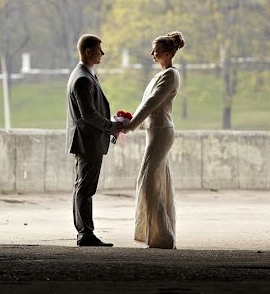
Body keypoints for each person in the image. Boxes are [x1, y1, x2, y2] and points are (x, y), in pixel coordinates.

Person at [121, 31, 185, 249]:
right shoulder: (160, 76)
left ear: (168, 53)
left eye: (156, 51)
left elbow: (151, 104)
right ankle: (161, 235)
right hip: (154, 131)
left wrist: (129, 126)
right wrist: (128, 124)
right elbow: (147, 107)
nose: (152, 54)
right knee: (158, 182)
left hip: (161, 132)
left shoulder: (170, 76)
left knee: (149, 183)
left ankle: (162, 236)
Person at [66, 34, 123, 247]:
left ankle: (84, 232)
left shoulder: (84, 75)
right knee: (85, 188)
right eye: (99, 49)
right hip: (88, 141)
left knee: (82, 187)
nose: (102, 53)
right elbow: (88, 114)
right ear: (88, 51)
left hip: (86, 140)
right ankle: (85, 234)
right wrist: (112, 126)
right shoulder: (82, 78)